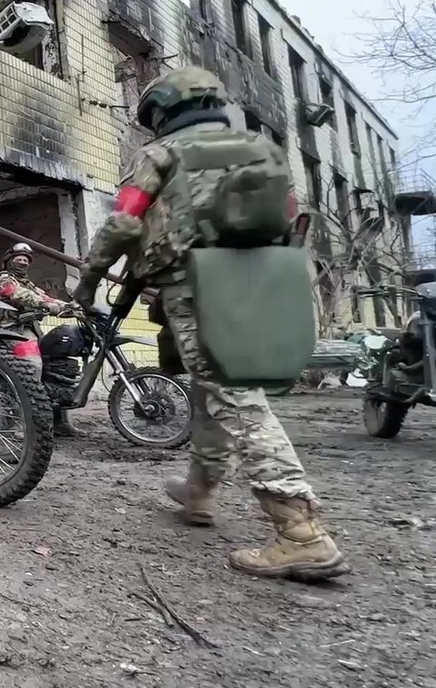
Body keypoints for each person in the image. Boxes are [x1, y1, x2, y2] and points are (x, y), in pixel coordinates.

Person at [72, 66, 347, 581]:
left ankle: (300, 531)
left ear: (162, 110)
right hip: (258, 280)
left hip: (194, 284)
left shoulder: (160, 154)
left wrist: (89, 278)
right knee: (211, 388)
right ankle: (199, 491)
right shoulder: (260, 149)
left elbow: (125, 220)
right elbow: (289, 216)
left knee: (232, 393)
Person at [0, 242, 85, 437]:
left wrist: (72, 307)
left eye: (26, 260)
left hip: (31, 330)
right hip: (10, 331)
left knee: (58, 366)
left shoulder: (28, 284)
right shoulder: (4, 280)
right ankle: (19, 424)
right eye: (19, 259)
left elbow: (46, 298)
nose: (23, 263)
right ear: (9, 261)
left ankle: (59, 422)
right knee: (32, 366)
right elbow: (23, 297)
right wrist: (48, 306)